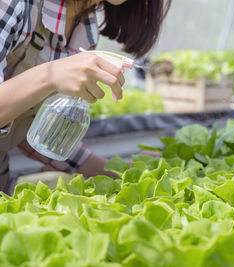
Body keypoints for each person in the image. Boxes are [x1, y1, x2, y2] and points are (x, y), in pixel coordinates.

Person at [0, 0, 171, 193]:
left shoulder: (85, 27)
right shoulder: (14, 4)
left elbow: (29, 123)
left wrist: (123, 173)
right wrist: (50, 75)